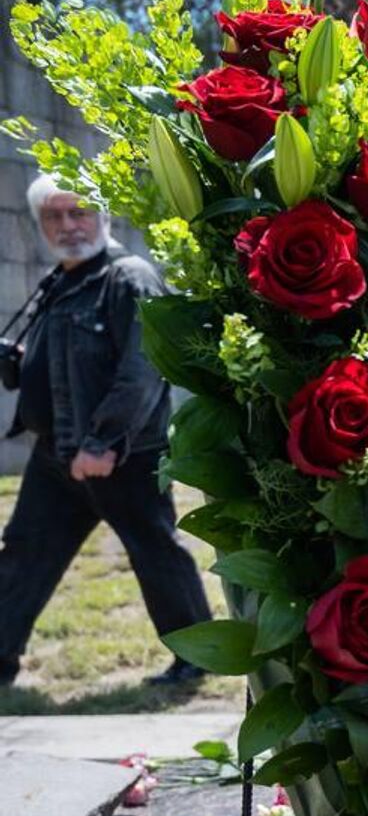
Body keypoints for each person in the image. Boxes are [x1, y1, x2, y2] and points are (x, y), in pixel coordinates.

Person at [0, 175, 213, 687]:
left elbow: (142, 369)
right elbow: (75, 363)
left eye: (79, 212)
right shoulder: (62, 280)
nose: (68, 225)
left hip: (122, 455)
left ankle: (195, 659)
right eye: (54, 216)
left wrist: (103, 442)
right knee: (25, 551)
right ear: (40, 226)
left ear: (104, 217)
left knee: (156, 552)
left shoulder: (128, 277)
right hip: (59, 456)